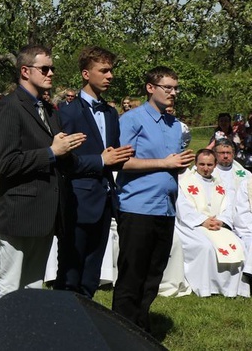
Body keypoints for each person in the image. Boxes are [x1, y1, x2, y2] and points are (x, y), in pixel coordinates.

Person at [0, 45, 85, 304]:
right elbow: (6, 163)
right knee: (8, 287)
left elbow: (57, 152)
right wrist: (52, 151)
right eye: (45, 68)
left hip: (45, 213)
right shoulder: (8, 107)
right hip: (19, 211)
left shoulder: (49, 109)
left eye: (52, 68)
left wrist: (68, 150)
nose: (51, 73)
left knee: (32, 288)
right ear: (25, 71)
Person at [112, 66, 194, 332]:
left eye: (175, 88)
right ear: (150, 88)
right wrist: (164, 163)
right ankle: (121, 331)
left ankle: (140, 327)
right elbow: (120, 163)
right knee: (131, 275)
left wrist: (180, 164)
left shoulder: (175, 125)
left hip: (166, 209)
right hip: (138, 207)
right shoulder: (132, 120)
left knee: (153, 275)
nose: (173, 92)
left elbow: (171, 164)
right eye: (167, 87)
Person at [55, 47, 133, 299]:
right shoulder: (67, 111)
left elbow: (111, 155)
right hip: (77, 200)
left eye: (111, 70)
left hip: (104, 200)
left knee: (91, 274)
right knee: (70, 273)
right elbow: (63, 160)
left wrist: (120, 158)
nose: (110, 76)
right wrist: (100, 160)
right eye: (104, 71)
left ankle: (84, 328)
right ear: (86, 74)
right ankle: (62, 326)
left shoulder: (111, 113)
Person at [175, 149, 249, 297]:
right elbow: (182, 207)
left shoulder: (219, 183)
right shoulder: (185, 182)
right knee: (206, 247)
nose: (205, 168)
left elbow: (228, 206)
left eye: (209, 164)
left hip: (217, 225)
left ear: (215, 165)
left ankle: (233, 290)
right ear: (196, 164)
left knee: (239, 246)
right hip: (193, 225)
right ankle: (205, 287)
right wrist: (203, 221)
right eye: (201, 164)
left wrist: (221, 221)